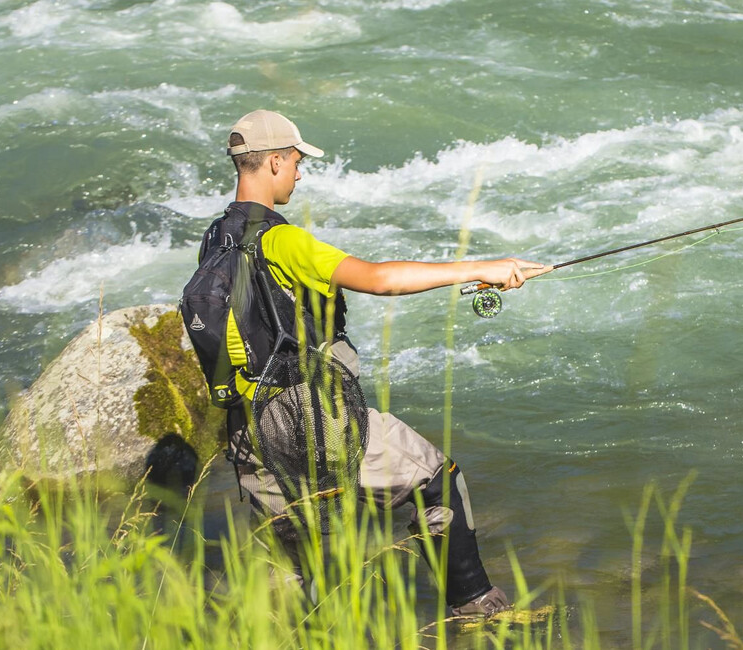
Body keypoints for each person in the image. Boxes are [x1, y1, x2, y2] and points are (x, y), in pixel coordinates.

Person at [208, 109, 548, 617]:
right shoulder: (281, 240)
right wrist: (485, 267)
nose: (299, 174)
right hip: (314, 420)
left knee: (293, 566)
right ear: (275, 161)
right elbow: (379, 279)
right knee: (439, 480)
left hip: (250, 426)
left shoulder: (215, 239)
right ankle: (477, 610)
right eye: (297, 162)